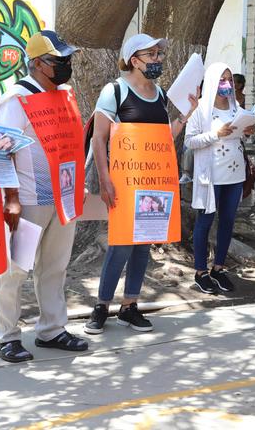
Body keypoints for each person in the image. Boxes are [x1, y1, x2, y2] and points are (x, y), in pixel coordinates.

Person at [85, 33, 197, 334]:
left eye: (159, 55)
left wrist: (186, 114)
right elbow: (99, 138)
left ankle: (130, 306)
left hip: (151, 183)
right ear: (134, 60)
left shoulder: (159, 95)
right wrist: (105, 179)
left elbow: (163, 139)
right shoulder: (115, 92)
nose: (158, 60)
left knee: (142, 245)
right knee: (120, 245)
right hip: (123, 182)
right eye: (152, 55)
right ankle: (102, 307)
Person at [0, 30, 89, 363]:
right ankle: (4, 336)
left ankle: (52, 329)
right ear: (36, 64)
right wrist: (11, 198)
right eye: (58, 60)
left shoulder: (65, 94)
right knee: (14, 269)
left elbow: (71, 143)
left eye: (67, 60)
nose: (65, 65)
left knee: (55, 267)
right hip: (29, 200)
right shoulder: (16, 99)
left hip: (62, 197)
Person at [185, 63, 255, 294]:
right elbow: (190, 141)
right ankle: (200, 271)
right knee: (205, 222)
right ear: (213, 82)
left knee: (227, 221)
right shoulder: (202, 110)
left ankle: (219, 268)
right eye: (222, 80)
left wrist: (247, 132)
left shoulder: (237, 108)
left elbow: (240, 137)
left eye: (229, 80)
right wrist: (215, 134)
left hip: (235, 175)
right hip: (210, 176)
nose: (227, 85)